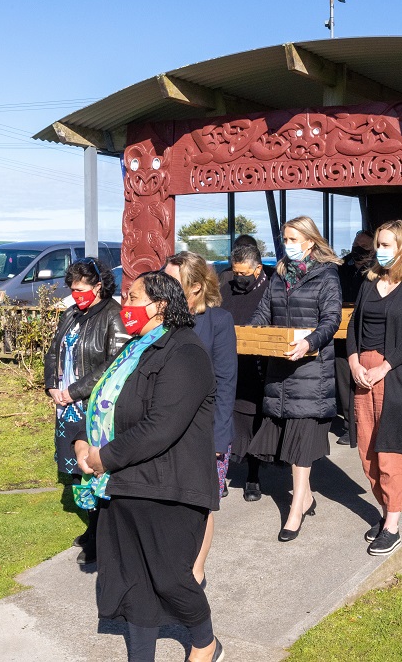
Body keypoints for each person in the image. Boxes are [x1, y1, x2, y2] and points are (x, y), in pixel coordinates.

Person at [80, 271, 223, 662]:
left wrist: (102, 458)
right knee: (133, 581)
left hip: (169, 485)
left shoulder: (186, 353)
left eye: (133, 297)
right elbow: (103, 399)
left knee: (171, 578)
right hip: (125, 482)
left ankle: (205, 642)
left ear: (160, 304)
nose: (125, 305)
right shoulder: (134, 349)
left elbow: (162, 426)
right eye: (125, 297)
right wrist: (81, 440)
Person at [246, 215, 343, 541]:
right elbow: (264, 311)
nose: (287, 246)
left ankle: (296, 507)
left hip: (311, 370)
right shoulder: (279, 275)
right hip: (281, 369)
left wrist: (309, 343)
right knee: (288, 436)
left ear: (310, 242)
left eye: (292, 240)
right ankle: (308, 495)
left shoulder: (327, 275)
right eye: (284, 240)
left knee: (300, 442)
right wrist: (253, 332)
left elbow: (331, 320)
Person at [346, 221, 402, 555]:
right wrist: (355, 362)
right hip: (363, 374)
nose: (379, 251)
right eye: (378, 246)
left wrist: (384, 366)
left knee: (391, 452)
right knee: (368, 452)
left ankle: (393, 526)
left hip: (396, 373)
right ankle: (385, 514)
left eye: (386, 245)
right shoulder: (369, 283)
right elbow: (354, 326)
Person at [42, 257, 128, 566]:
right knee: (77, 471)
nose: (76, 295)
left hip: (93, 405)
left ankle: (98, 534)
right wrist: (52, 385)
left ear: (98, 286)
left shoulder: (114, 316)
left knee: (92, 468)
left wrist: (76, 391)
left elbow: (113, 365)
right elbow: (54, 351)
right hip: (66, 404)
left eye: (81, 289)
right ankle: (93, 527)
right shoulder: (70, 314)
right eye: (72, 289)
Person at [163, 251, 237, 587]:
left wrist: (220, 440)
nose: (163, 288)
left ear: (194, 288)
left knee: (202, 500)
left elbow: (225, 383)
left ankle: (197, 570)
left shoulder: (218, 322)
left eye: (172, 282)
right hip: (167, 428)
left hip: (206, 430)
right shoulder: (161, 320)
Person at [220, 242, 271, 502]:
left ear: (258, 268)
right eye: (235, 273)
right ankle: (222, 474)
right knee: (224, 421)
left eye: (243, 274)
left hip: (257, 367)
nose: (238, 278)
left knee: (252, 422)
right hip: (228, 366)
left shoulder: (270, 288)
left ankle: (253, 475)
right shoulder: (226, 286)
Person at [334, 230, 375, 445]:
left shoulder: (378, 269)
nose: (358, 249)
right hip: (341, 333)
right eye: (355, 245)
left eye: (363, 247)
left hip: (368, 334)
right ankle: (351, 427)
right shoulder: (342, 265)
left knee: (366, 380)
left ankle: (368, 426)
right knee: (344, 382)